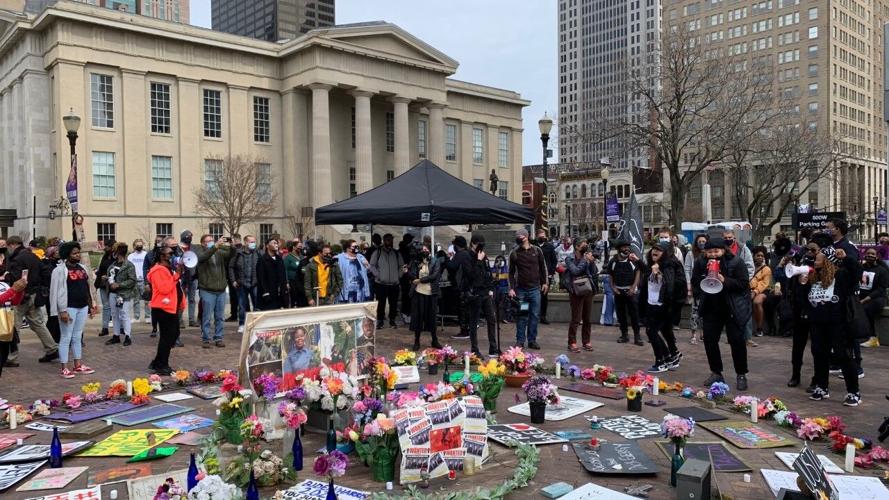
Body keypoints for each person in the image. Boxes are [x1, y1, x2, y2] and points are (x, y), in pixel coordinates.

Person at [691, 237, 750, 391]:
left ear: (723, 250)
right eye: (709, 252)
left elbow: (744, 284)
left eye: (716, 251)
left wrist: (725, 280)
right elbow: (695, 282)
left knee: (737, 341)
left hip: (732, 308)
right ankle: (716, 372)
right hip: (711, 308)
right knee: (709, 340)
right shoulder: (700, 262)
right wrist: (705, 278)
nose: (713, 255)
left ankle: (741, 374)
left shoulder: (736, 262)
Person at [806, 247, 860, 406]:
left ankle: (853, 391)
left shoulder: (841, 276)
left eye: (819, 259)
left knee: (843, 355)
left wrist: (846, 258)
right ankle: (822, 387)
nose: (815, 261)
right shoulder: (815, 277)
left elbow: (856, 272)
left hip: (838, 323)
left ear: (828, 262)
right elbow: (807, 300)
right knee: (819, 353)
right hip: (818, 322)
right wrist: (802, 284)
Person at [4, 235, 59, 362]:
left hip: (21, 296)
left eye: (8, 246)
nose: (8, 249)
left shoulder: (17, 259)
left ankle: (11, 357)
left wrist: (7, 277)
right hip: (34, 294)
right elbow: (45, 271)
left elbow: (16, 278)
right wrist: (42, 287)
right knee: (38, 324)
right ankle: (52, 348)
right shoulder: (32, 255)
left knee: (13, 326)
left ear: (13, 244)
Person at [49, 242, 96, 378]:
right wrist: (61, 310)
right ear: (67, 255)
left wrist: (91, 304)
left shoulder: (82, 268)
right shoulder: (59, 270)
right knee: (66, 337)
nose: (77, 255)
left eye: (78, 253)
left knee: (77, 336)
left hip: (82, 306)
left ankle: (78, 365)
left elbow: (87, 287)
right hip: (68, 307)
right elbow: (55, 292)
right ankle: (64, 367)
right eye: (74, 253)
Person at [638, 242, 683, 373]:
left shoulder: (667, 266)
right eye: (653, 249)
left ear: (665, 254)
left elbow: (669, 286)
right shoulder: (654, 265)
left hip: (662, 306)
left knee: (651, 331)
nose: (654, 252)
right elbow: (648, 279)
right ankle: (671, 357)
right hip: (653, 303)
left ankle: (662, 361)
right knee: (661, 331)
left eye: (658, 250)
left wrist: (658, 274)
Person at [784, 240, 819, 389]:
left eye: (813, 250)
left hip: (816, 312)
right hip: (800, 310)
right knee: (798, 346)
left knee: (817, 348)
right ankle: (795, 375)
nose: (809, 252)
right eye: (807, 249)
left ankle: (817, 378)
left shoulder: (823, 265)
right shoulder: (801, 263)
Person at [508, 229, 548, 350]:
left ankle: (532, 340)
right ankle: (520, 340)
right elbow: (510, 272)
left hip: (535, 289)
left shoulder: (537, 250)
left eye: (520, 236)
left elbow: (543, 268)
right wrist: (511, 288)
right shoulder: (514, 253)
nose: (518, 238)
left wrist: (545, 282)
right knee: (522, 315)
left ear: (526, 237)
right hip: (521, 291)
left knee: (535, 315)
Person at [147, 244, 184, 376]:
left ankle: (158, 361)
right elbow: (164, 289)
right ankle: (162, 364)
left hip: (170, 307)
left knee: (172, 334)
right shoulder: (158, 270)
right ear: (162, 256)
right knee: (167, 337)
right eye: (169, 253)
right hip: (163, 308)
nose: (172, 255)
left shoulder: (168, 269)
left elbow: (176, 288)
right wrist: (176, 275)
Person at [193, 234, 232, 348]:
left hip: (220, 289)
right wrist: (215, 246)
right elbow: (203, 257)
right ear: (203, 243)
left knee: (220, 316)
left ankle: (218, 337)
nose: (210, 242)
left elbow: (230, 255)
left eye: (212, 240)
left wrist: (232, 246)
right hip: (207, 289)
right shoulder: (200, 252)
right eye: (208, 241)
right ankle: (206, 339)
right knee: (207, 316)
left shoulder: (219, 252)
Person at [465, 235, 499, 357]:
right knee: (474, 322)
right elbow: (471, 275)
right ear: (473, 244)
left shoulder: (483, 255)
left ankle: (493, 347)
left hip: (485, 292)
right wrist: (478, 261)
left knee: (492, 319)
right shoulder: (467, 256)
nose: (481, 247)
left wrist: (490, 288)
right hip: (475, 293)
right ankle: (475, 349)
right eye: (479, 244)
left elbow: (487, 273)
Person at [562, 238, 598, 353]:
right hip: (576, 291)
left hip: (587, 289)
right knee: (576, 318)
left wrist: (591, 262)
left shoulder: (587, 258)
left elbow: (593, 272)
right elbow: (575, 271)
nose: (586, 246)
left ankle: (586, 341)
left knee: (587, 318)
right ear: (577, 247)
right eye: (583, 245)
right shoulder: (569, 258)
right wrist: (585, 261)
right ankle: (572, 342)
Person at [407, 244, 443, 351]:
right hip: (418, 292)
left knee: (432, 317)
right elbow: (413, 275)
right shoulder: (416, 261)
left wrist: (421, 280)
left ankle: (434, 340)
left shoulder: (435, 261)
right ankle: (417, 341)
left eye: (426, 249)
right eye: (423, 250)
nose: (425, 251)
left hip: (431, 293)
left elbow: (434, 276)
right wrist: (409, 273)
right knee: (418, 317)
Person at [606, 241, 643, 346]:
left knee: (634, 314)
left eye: (628, 247)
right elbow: (610, 275)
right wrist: (613, 288)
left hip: (631, 291)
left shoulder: (632, 259)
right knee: (621, 314)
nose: (626, 249)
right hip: (618, 291)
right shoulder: (613, 261)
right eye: (624, 247)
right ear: (619, 249)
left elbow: (638, 273)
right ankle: (624, 335)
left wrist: (633, 287)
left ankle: (637, 336)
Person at [369, 234, 404, 329]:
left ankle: (392, 320)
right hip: (381, 283)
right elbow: (372, 265)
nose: (390, 241)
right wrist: (378, 276)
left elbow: (401, 266)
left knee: (393, 303)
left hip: (394, 283)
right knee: (381, 303)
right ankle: (380, 320)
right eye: (388, 240)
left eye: (391, 240)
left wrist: (399, 276)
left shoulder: (396, 253)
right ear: (384, 241)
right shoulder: (378, 252)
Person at [105, 243, 137, 346]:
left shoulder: (129, 265)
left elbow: (132, 280)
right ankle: (116, 335)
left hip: (123, 294)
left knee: (124, 315)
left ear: (118, 252)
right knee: (114, 315)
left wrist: (119, 285)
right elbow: (111, 276)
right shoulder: (113, 264)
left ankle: (128, 336)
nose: (113, 252)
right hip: (112, 294)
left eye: (115, 250)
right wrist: (106, 279)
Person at [859, 247, 889, 348]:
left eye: (873, 254)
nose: (870, 255)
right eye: (868, 253)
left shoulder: (882, 271)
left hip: (877, 298)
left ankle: (873, 338)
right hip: (861, 297)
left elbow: (881, 289)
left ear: (876, 257)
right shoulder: (861, 268)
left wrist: (865, 299)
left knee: (866, 309)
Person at [229, 235, 259, 333]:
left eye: (254, 241)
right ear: (246, 242)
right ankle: (242, 324)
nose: (253, 244)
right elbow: (231, 267)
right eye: (251, 242)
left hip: (254, 283)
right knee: (242, 305)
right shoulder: (238, 253)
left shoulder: (258, 253)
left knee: (256, 305)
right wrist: (233, 280)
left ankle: (256, 324)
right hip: (241, 283)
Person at [446, 236, 473, 340]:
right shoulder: (468, 253)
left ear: (457, 245)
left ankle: (464, 330)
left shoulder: (461, 254)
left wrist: (447, 259)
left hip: (462, 287)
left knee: (462, 309)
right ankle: (468, 328)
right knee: (466, 309)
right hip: (468, 287)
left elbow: (452, 266)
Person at [0, 276, 26, 376]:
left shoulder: (4, 285)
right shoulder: (8, 288)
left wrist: (20, 291)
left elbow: (14, 302)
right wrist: (12, 290)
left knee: (3, 357)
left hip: (5, 328)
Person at [684, 234, 708, 344]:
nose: (702, 243)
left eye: (704, 241)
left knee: (705, 312)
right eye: (700, 241)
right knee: (695, 311)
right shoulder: (691, 254)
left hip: (708, 286)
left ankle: (703, 333)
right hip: (696, 286)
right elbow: (687, 270)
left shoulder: (710, 254)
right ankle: (693, 334)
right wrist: (689, 285)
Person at [256, 238, 289, 310]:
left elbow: (283, 275)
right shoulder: (262, 260)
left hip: (280, 294)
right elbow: (261, 278)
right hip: (269, 294)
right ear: (267, 246)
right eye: (274, 243)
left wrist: (285, 287)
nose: (276, 245)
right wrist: (265, 293)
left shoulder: (279, 259)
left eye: (277, 243)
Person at [143, 236, 165, 337]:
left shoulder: (167, 254)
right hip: (153, 284)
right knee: (155, 308)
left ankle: (164, 328)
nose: (159, 244)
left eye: (160, 242)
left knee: (165, 307)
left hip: (165, 284)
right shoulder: (150, 254)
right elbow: (145, 269)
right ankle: (154, 328)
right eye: (157, 242)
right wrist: (146, 283)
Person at [534, 229, 557, 324]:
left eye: (543, 236)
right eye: (540, 236)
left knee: (544, 296)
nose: (542, 238)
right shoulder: (533, 246)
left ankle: (543, 316)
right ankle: (532, 315)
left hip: (546, 275)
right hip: (534, 274)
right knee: (533, 296)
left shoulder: (550, 247)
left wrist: (551, 273)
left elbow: (554, 261)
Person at [750, 246, 773, 338]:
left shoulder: (766, 269)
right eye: (758, 255)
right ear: (753, 256)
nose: (760, 257)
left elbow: (764, 284)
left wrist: (755, 291)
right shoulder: (750, 267)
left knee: (757, 302)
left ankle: (759, 329)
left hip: (763, 290)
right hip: (750, 290)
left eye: (762, 256)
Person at [94, 239, 116, 336]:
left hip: (114, 285)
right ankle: (105, 327)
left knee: (117, 306)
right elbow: (101, 269)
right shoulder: (105, 256)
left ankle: (121, 328)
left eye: (107, 246)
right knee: (106, 306)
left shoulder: (117, 257)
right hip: (103, 284)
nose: (105, 247)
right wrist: (96, 284)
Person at [128, 239, 150, 324]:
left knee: (147, 299)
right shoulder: (131, 256)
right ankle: (136, 317)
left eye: (141, 245)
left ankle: (148, 316)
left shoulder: (146, 255)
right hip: (135, 280)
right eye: (137, 245)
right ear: (134, 246)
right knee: (136, 300)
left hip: (144, 280)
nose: (139, 246)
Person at [398, 234, 416, 323]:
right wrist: (408, 266)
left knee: (408, 294)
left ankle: (407, 312)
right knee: (407, 294)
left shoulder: (407, 249)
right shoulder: (403, 250)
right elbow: (404, 264)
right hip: (405, 275)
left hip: (408, 274)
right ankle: (405, 313)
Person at [284, 240, 308, 308]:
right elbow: (285, 270)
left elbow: (303, 267)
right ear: (294, 247)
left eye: (301, 247)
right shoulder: (288, 257)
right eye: (298, 247)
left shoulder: (302, 257)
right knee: (293, 298)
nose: (300, 248)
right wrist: (287, 282)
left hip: (300, 282)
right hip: (292, 282)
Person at [226, 233, 242, 322]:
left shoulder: (237, 249)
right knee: (234, 297)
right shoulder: (234, 249)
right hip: (233, 277)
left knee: (237, 297)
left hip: (236, 277)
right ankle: (235, 314)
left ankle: (236, 315)